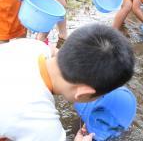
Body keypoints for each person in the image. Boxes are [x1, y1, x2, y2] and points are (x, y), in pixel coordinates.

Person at [0, 23, 135, 140]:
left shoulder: (33, 46)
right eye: (101, 95)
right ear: (82, 93)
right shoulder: (43, 127)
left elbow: (53, 51)